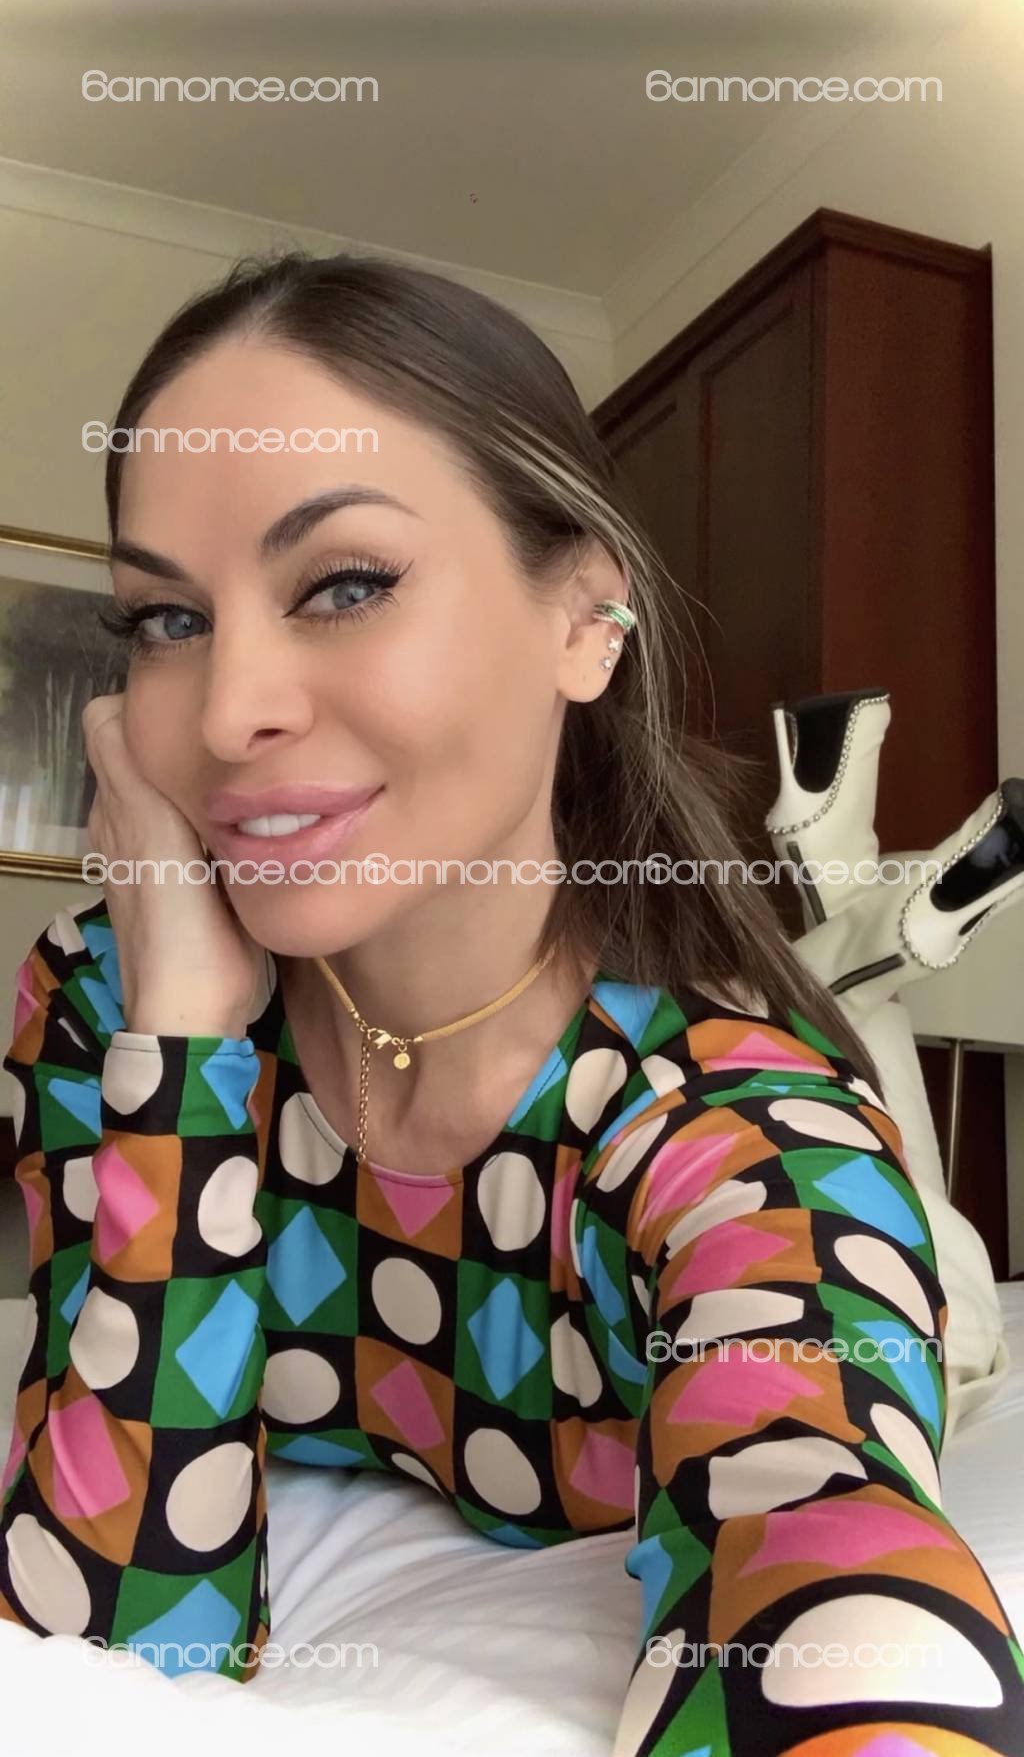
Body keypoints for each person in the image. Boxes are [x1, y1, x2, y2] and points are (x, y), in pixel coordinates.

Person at [2, 251, 1021, 1757]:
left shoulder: (726, 1131)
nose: (225, 713)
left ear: (585, 619)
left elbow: (834, 1574)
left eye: (346, 584)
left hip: (880, 1237)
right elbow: (119, 1635)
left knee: (924, 1290)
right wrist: (190, 1051)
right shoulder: (111, 1001)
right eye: (165, 620)